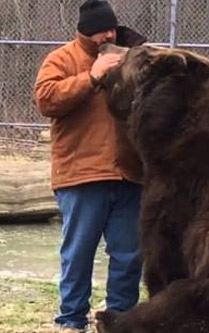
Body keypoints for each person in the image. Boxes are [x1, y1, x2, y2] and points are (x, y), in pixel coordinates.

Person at [33, 1, 147, 332]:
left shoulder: (130, 58)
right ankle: (71, 320)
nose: (109, 35)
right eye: (102, 30)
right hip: (82, 174)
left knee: (129, 255)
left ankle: (120, 318)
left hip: (129, 174)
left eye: (112, 29)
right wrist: (92, 77)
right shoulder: (62, 59)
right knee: (78, 254)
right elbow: (46, 99)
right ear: (85, 30)